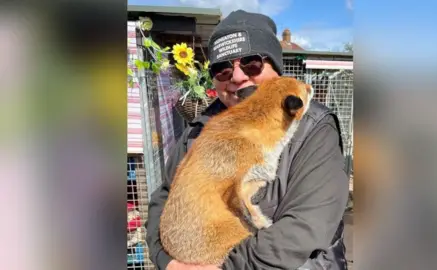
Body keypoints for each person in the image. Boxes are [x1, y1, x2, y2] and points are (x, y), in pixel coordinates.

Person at [145, 9, 350, 270]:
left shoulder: (314, 128)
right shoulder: (200, 129)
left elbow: (307, 226)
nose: (238, 77)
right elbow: (162, 198)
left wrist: (225, 267)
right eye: (222, 70)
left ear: (276, 69)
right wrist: (168, 262)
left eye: (252, 63)